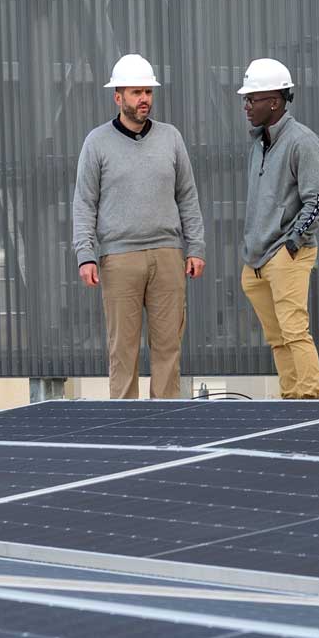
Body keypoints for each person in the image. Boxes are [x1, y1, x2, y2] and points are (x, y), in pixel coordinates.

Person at [72, 53, 205, 399]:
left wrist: (196, 248)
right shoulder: (96, 143)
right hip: (119, 259)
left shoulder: (171, 138)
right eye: (136, 92)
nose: (144, 99)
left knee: (168, 348)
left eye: (148, 91)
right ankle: (126, 426)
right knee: (123, 351)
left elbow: (187, 196)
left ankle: (164, 422)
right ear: (118, 97)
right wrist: (85, 255)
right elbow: (84, 202)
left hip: (167, 255)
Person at [238, 57, 319, 399]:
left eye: (252, 99)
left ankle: (307, 399)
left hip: (286, 254)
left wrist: (292, 244)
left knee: (294, 331)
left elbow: (318, 200)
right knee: (277, 338)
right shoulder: (259, 144)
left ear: (274, 100)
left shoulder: (302, 142)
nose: (246, 106)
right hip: (257, 259)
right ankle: (291, 400)